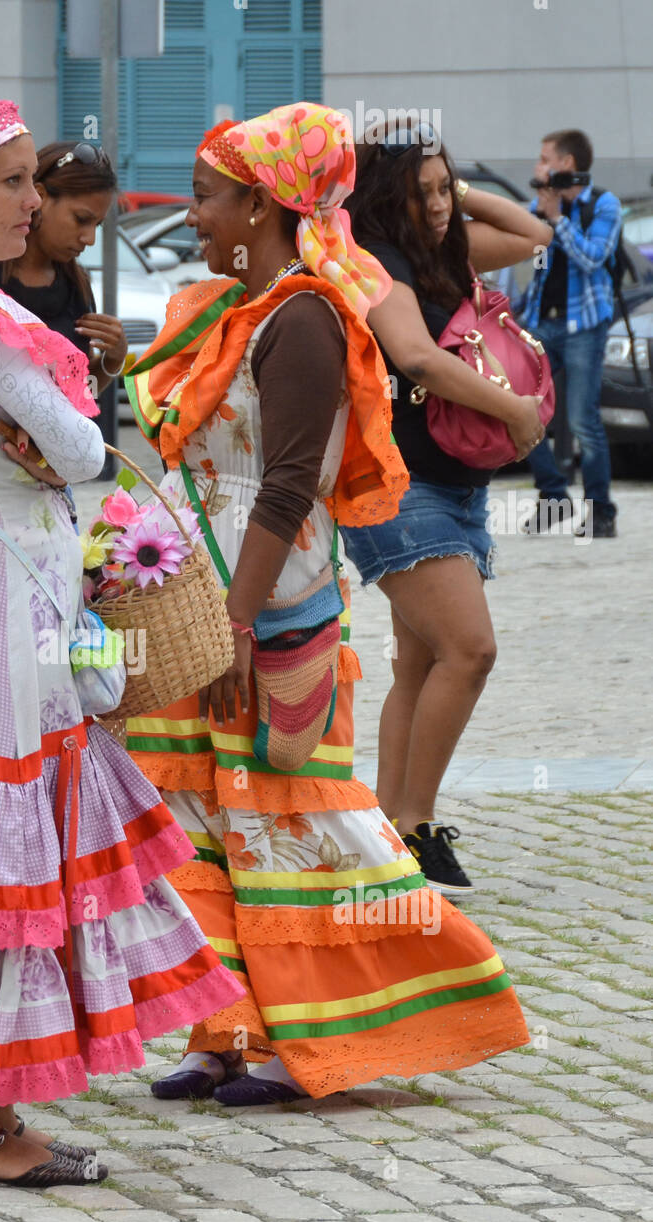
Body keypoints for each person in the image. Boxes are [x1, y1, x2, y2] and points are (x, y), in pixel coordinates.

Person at [0, 93, 243, 1184]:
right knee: (5, 868)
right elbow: (80, 450)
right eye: (15, 182)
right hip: (13, 613)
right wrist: (77, 407)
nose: (34, 202)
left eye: (35, 181)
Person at [123, 104, 529, 1106]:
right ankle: (222, 1029)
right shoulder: (228, 308)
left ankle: (300, 1038)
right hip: (198, 586)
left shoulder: (302, 317)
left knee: (286, 816)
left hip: (269, 593)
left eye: (209, 196)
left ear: (261, 207)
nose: (194, 212)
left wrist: (237, 621)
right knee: (200, 814)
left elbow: (289, 484)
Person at [342, 122, 551, 892]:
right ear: (383, 192)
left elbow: (533, 234)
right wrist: (517, 410)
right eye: (419, 190)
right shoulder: (373, 262)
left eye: (443, 188)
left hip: (456, 487)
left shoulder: (442, 248)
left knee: (421, 662)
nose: (435, 205)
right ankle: (417, 827)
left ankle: (390, 833)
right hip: (397, 485)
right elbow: (417, 357)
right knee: (471, 651)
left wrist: (452, 188)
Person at [520, 129, 622, 540]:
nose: (537, 166)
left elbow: (592, 257)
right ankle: (553, 497)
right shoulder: (542, 205)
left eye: (544, 158)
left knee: (582, 419)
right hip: (543, 324)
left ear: (567, 164)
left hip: (584, 325)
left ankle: (601, 512)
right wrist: (542, 217)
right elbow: (530, 251)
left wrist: (559, 219)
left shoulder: (603, 204)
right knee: (518, 409)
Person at [0, 141, 129, 397]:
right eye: (81, 219)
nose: (90, 238)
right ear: (40, 197)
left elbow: (79, 396)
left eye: (98, 224)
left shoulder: (76, 283)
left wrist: (113, 359)